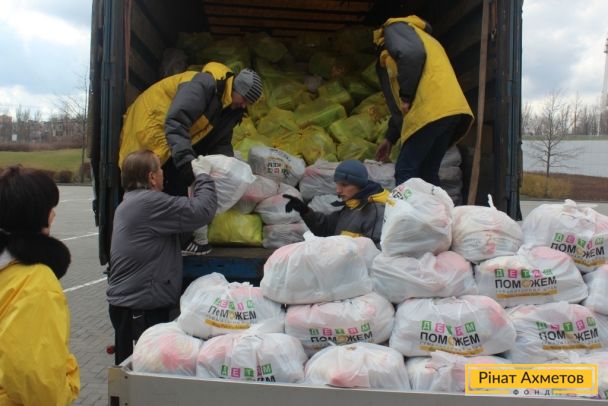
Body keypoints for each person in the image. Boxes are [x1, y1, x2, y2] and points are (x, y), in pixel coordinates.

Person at [118, 62, 263, 255]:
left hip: (169, 133)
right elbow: (176, 121)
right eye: (244, 99)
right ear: (236, 89)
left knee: (181, 179)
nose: (244, 105)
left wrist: (225, 170)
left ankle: (175, 241)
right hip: (151, 124)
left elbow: (220, 142)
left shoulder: (231, 109)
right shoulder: (205, 85)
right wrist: (186, 161)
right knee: (158, 182)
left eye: (248, 103)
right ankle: (162, 244)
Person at [106, 150, 217, 365]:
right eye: (160, 168)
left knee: (137, 369)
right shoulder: (149, 203)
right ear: (151, 177)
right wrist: (203, 177)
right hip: (140, 311)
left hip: (132, 307)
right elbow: (203, 211)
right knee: (144, 370)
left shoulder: (131, 202)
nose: (163, 173)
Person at [0, 166, 80, 405]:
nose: (53, 215)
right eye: (49, 208)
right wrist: (70, 377)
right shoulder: (35, 281)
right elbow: (39, 384)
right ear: (35, 215)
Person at [373, 15, 474, 186]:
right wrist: (390, 138)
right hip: (451, 112)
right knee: (428, 172)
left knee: (405, 170)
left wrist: (406, 96)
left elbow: (412, 55)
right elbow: (401, 107)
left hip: (431, 112)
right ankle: (432, 204)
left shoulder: (394, 28)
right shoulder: (422, 37)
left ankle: (407, 205)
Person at [282, 160, 388, 245]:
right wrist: (305, 211)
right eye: (337, 184)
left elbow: (376, 250)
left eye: (344, 185)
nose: (338, 190)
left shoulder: (375, 211)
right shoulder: (351, 206)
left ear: (360, 185)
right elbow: (326, 228)